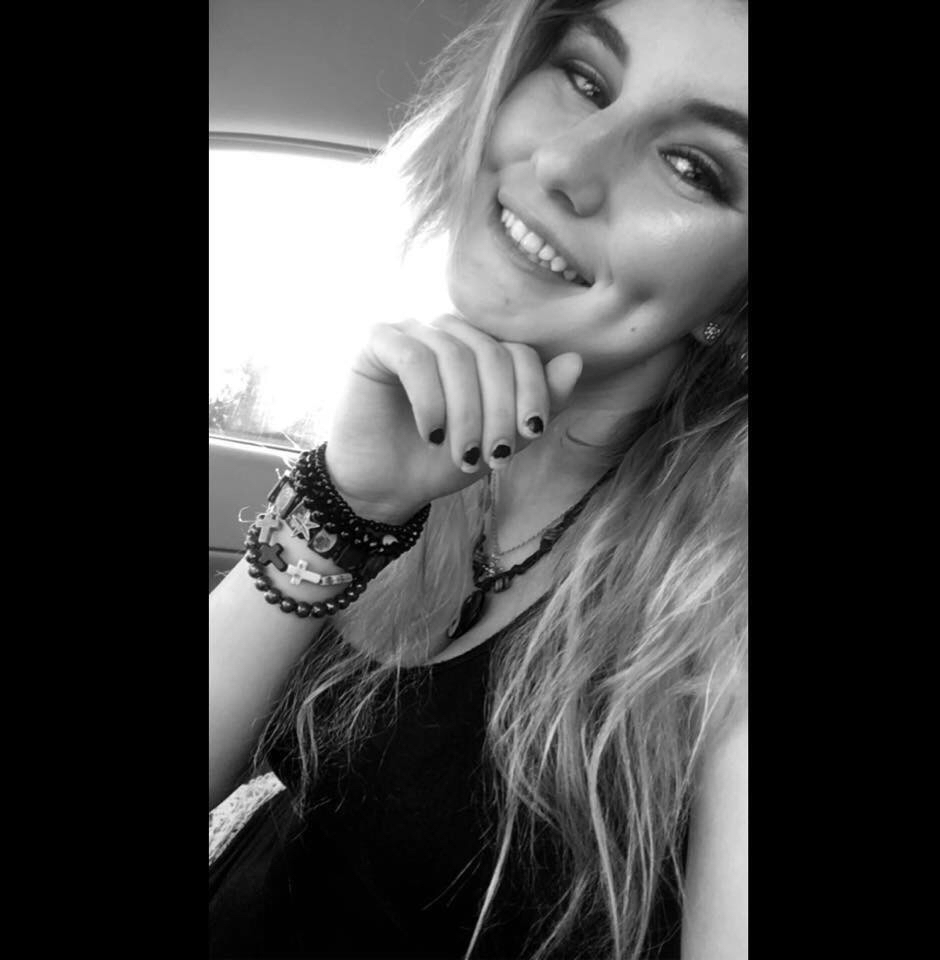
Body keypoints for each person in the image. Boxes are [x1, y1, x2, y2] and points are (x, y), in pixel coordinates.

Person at [209, 0, 748, 957]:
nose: (566, 164)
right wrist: (348, 501)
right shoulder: (429, 441)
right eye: (585, 79)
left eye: (693, 167)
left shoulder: (726, 603)